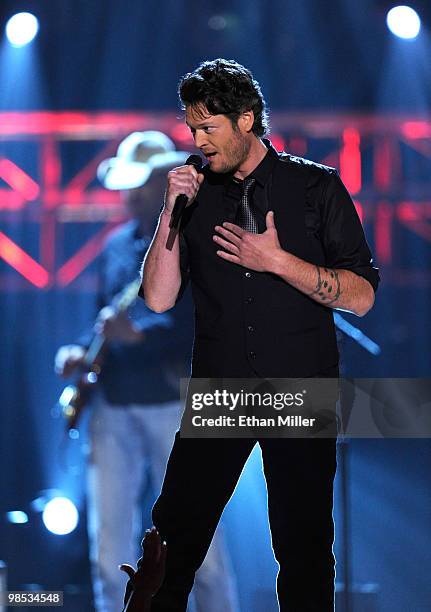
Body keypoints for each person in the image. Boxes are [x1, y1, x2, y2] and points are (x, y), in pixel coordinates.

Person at [140, 60, 380, 611]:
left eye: (208, 127)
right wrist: (169, 210)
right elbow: (156, 298)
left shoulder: (316, 187)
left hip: (300, 388)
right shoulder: (192, 192)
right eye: (191, 128)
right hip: (222, 389)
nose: (197, 141)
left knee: (304, 553)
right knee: (171, 544)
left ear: (246, 119)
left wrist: (277, 262)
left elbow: (362, 296)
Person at [54, 131, 239, 612]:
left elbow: (202, 322)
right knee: (109, 545)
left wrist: (140, 336)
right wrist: (80, 351)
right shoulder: (116, 245)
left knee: (200, 543)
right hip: (112, 407)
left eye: (139, 183)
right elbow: (101, 316)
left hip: (171, 406)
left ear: (164, 182)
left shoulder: (195, 240)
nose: (130, 194)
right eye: (129, 185)